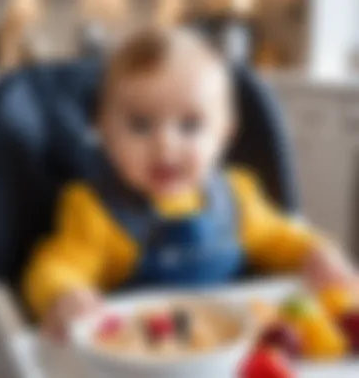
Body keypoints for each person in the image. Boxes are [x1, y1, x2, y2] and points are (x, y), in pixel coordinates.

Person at [22, 26, 358, 339]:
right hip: (143, 354)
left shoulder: (236, 197)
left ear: (224, 134)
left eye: (190, 125)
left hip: (228, 345)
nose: (165, 145)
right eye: (140, 125)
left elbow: (282, 237)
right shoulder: (96, 209)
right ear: (104, 134)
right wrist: (64, 294)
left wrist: (317, 253)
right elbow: (57, 265)